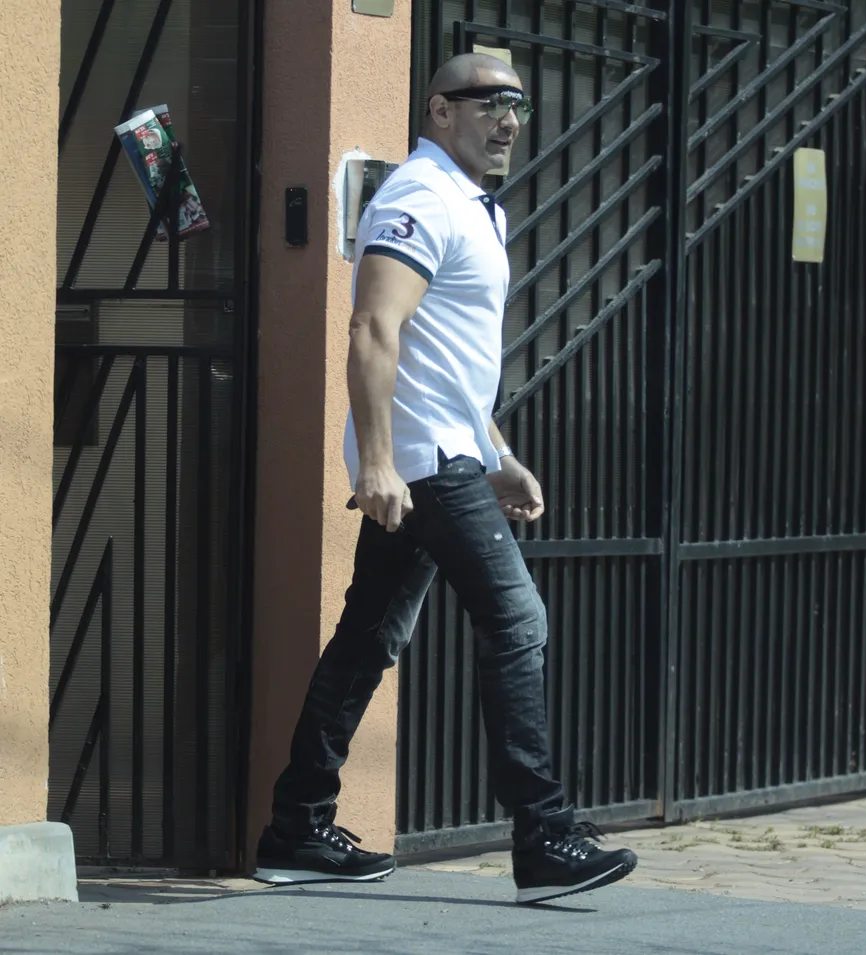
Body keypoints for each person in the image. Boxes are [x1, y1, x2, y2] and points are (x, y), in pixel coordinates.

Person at [254, 52, 638, 905]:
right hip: (422, 463)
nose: (508, 121)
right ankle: (543, 834)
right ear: (438, 109)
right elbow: (372, 328)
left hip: (447, 453)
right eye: (489, 103)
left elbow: (444, 361)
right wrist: (378, 460)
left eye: (517, 105)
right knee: (517, 619)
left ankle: (296, 827)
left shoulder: (473, 206)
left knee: (368, 637)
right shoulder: (420, 198)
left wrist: (499, 455)